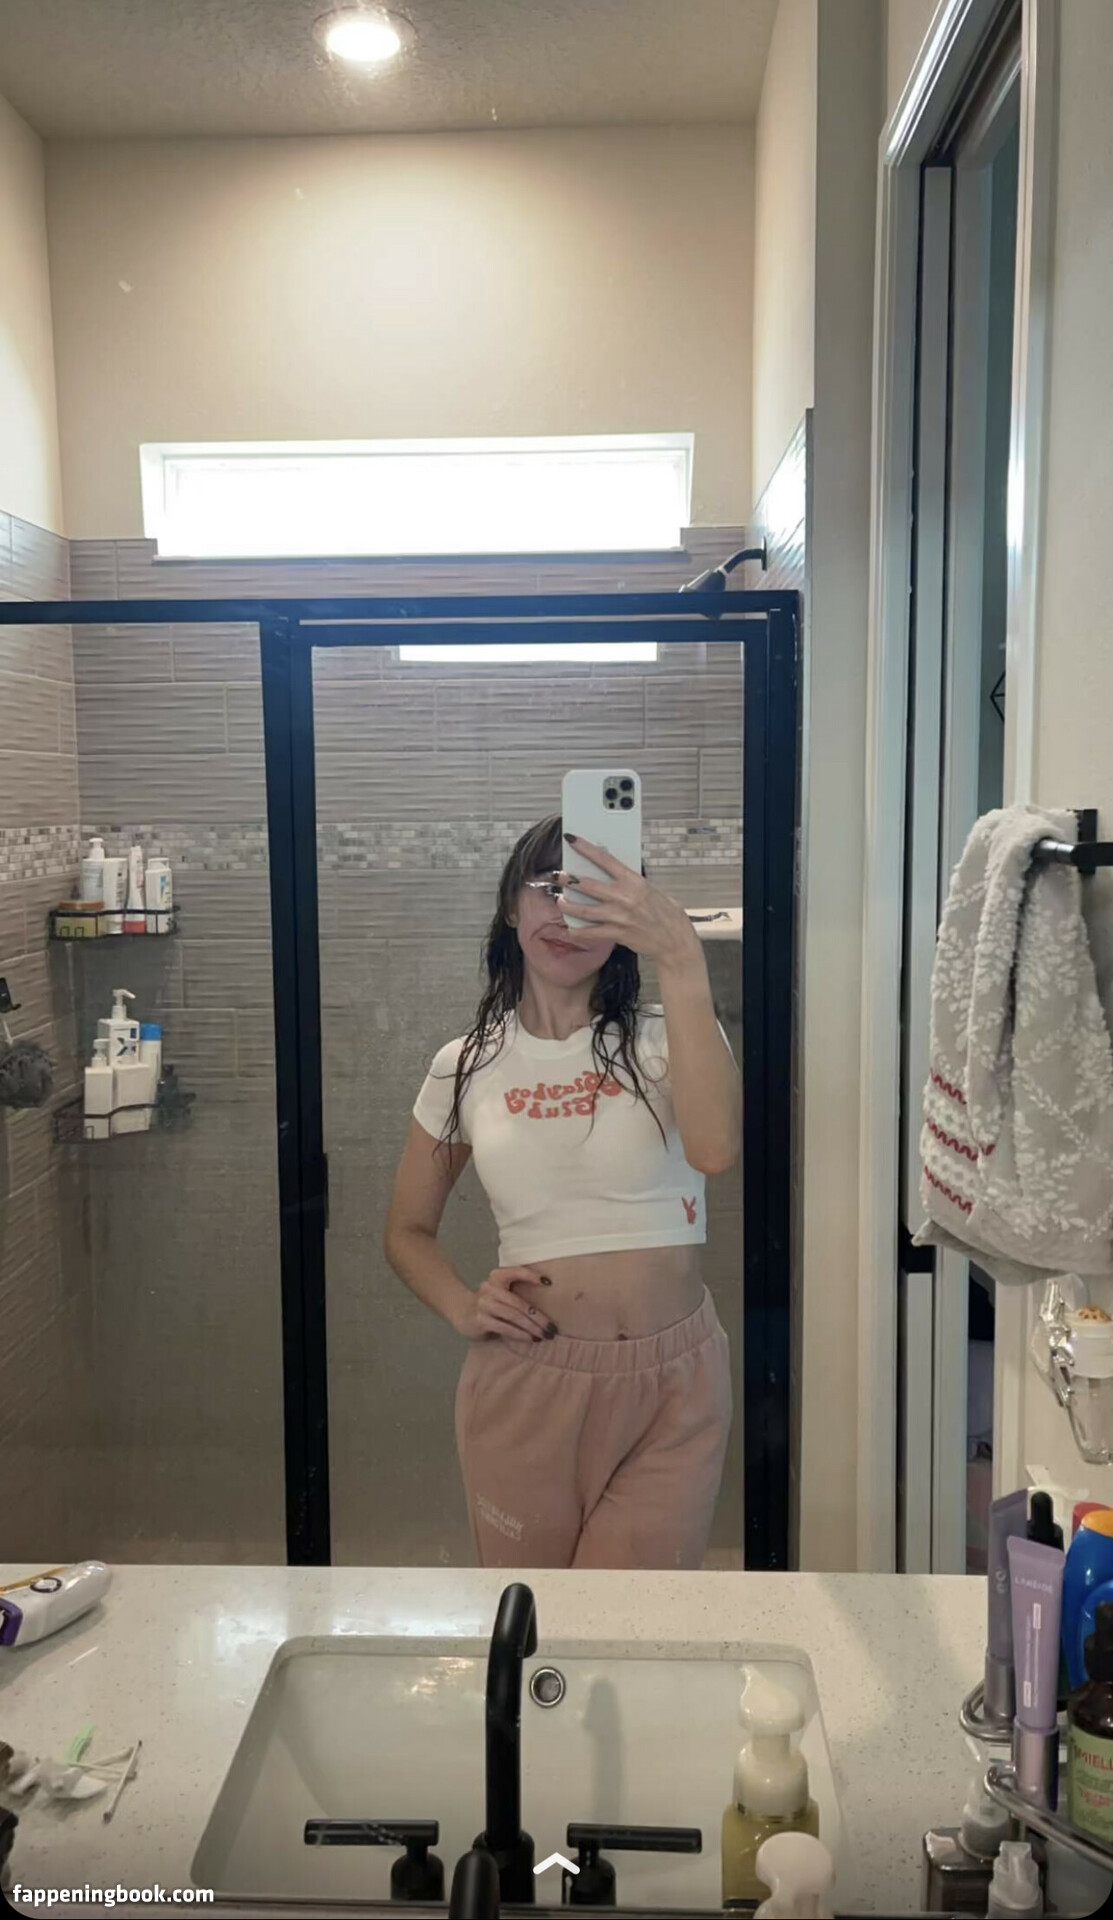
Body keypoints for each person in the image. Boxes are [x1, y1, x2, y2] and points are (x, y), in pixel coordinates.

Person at [383, 814, 742, 1569]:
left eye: (593, 896)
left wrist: (681, 956)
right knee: (538, 1619)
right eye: (548, 888)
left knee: (631, 1623)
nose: (565, 914)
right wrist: (463, 1306)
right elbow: (407, 1231)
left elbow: (713, 1150)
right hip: (530, 1380)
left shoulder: (664, 1037)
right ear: (510, 906)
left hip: (675, 1390)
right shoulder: (464, 1065)